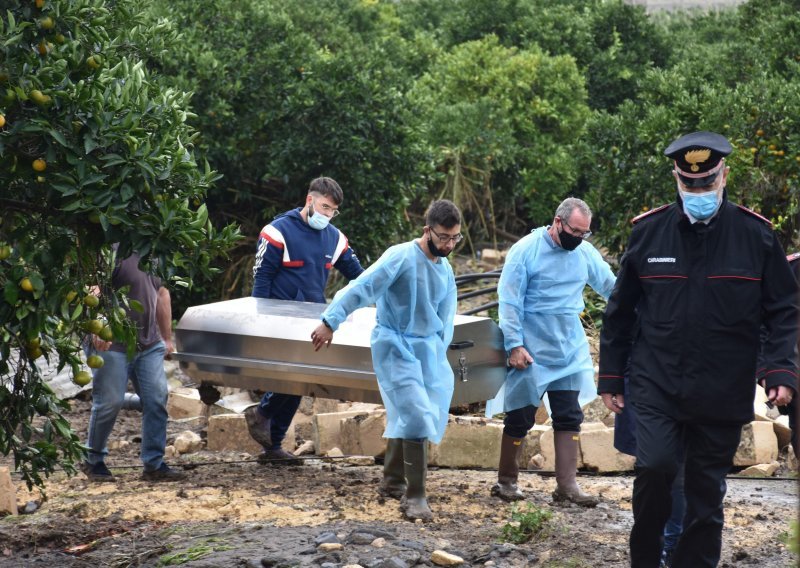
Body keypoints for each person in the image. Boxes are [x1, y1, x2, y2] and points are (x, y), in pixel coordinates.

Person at [598, 131, 798, 568]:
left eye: (707, 182)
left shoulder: (756, 236)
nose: (699, 192)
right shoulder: (648, 234)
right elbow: (620, 311)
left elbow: (783, 310)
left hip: (722, 387)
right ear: (675, 178)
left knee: (707, 495)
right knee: (655, 467)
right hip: (657, 384)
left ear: (724, 176)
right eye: (690, 184)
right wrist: (611, 376)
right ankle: (647, 559)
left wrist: (780, 371)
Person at [310, 199, 461, 522]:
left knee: (415, 412)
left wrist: (437, 352)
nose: (449, 244)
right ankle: (415, 497)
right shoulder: (401, 257)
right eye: (444, 237)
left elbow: (445, 319)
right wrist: (330, 321)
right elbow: (362, 287)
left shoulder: (446, 271)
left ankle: (392, 480)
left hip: (427, 352)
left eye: (455, 238)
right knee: (417, 416)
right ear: (427, 231)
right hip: (394, 346)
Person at [486, 197, 616, 506]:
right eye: (575, 231)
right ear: (558, 222)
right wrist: (514, 345)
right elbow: (510, 302)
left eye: (585, 233)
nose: (580, 238)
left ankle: (567, 486)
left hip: (567, 347)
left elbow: (611, 287)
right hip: (531, 347)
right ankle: (506, 481)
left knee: (569, 414)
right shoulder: (525, 251)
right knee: (520, 415)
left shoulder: (584, 253)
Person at [246, 177, 364, 463]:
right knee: (290, 377)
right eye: (324, 207)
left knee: (302, 382)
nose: (327, 215)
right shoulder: (277, 232)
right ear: (309, 200)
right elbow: (261, 281)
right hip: (278, 320)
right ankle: (262, 418)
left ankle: (271, 443)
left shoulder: (334, 237)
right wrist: (257, 326)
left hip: (313, 319)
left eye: (333, 211)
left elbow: (359, 276)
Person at [81, 249, 185, 482]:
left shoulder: (158, 251)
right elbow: (91, 290)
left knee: (157, 398)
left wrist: (167, 339)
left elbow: (162, 294)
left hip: (148, 343)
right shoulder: (110, 251)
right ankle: (93, 460)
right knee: (110, 401)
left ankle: (154, 464)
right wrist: (99, 324)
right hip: (110, 342)